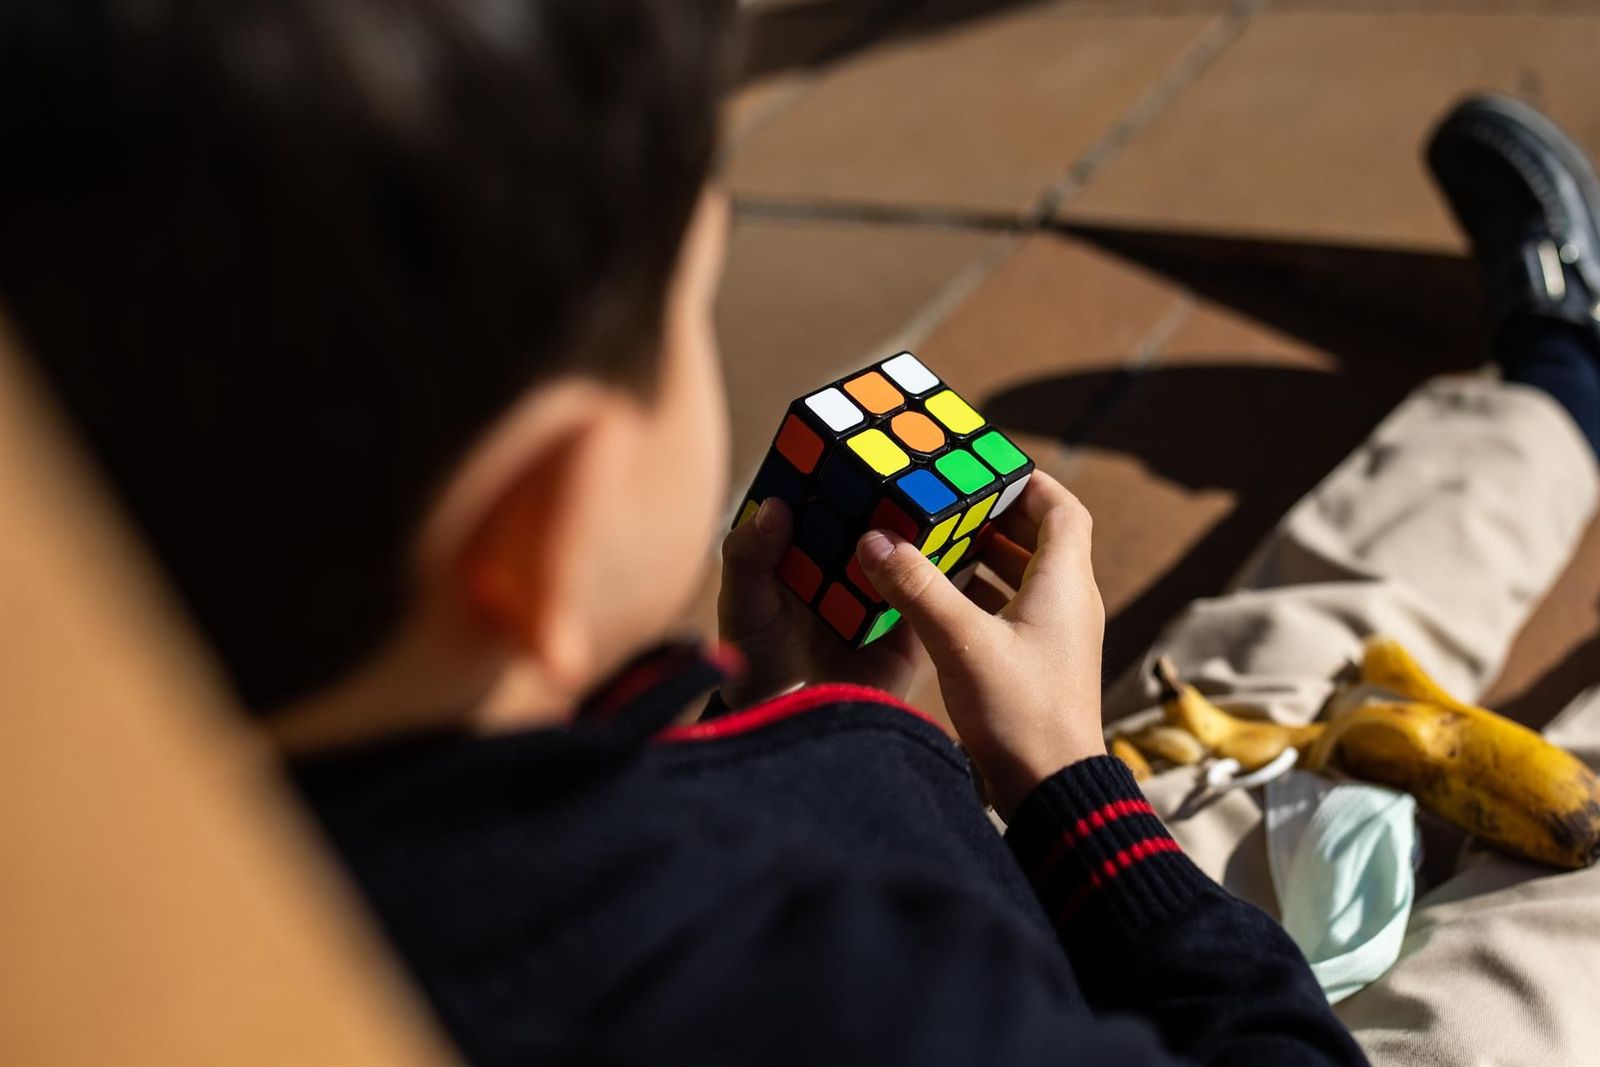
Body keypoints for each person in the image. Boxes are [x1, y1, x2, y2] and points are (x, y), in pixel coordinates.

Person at [0, 3, 1582, 1066]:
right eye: (693, 308)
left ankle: (1555, 388)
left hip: (964, 893)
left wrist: (803, 734)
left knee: (1254, 691)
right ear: (541, 522)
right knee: (1548, 927)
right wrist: (1056, 789)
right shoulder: (854, 994)